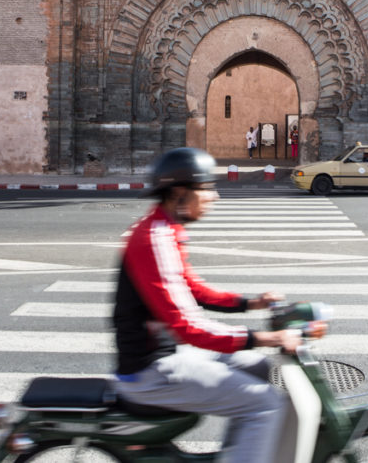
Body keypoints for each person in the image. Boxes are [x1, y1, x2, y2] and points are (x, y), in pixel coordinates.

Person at [112, 147, 301, 463]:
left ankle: (239, 452)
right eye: (207, 188)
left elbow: (194, 290)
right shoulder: (154, 238)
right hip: (154, 370)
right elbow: (187, 327)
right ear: (180, 193)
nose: (215, 197)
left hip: (168, 353)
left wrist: (252, 303)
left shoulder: (164, 228)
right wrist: (263, 338)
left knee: (257, 367)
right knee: (267, 403)